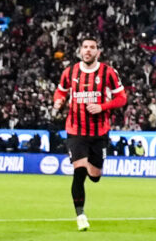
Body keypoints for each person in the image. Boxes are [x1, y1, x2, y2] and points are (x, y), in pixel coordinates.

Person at [53, 38, 127, 229]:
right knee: (79, 171)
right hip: (75, 130)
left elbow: (121, 98)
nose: (88, 50)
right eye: (85, 47)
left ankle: (90, 172)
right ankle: (80, 216)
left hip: (99, 132)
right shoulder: (69, 72)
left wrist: (102, 106)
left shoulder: (108, 72)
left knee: (94, 175)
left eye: (92, 48)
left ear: (98, 52)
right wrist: (58, 101)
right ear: (80, 51)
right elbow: (60, 92)